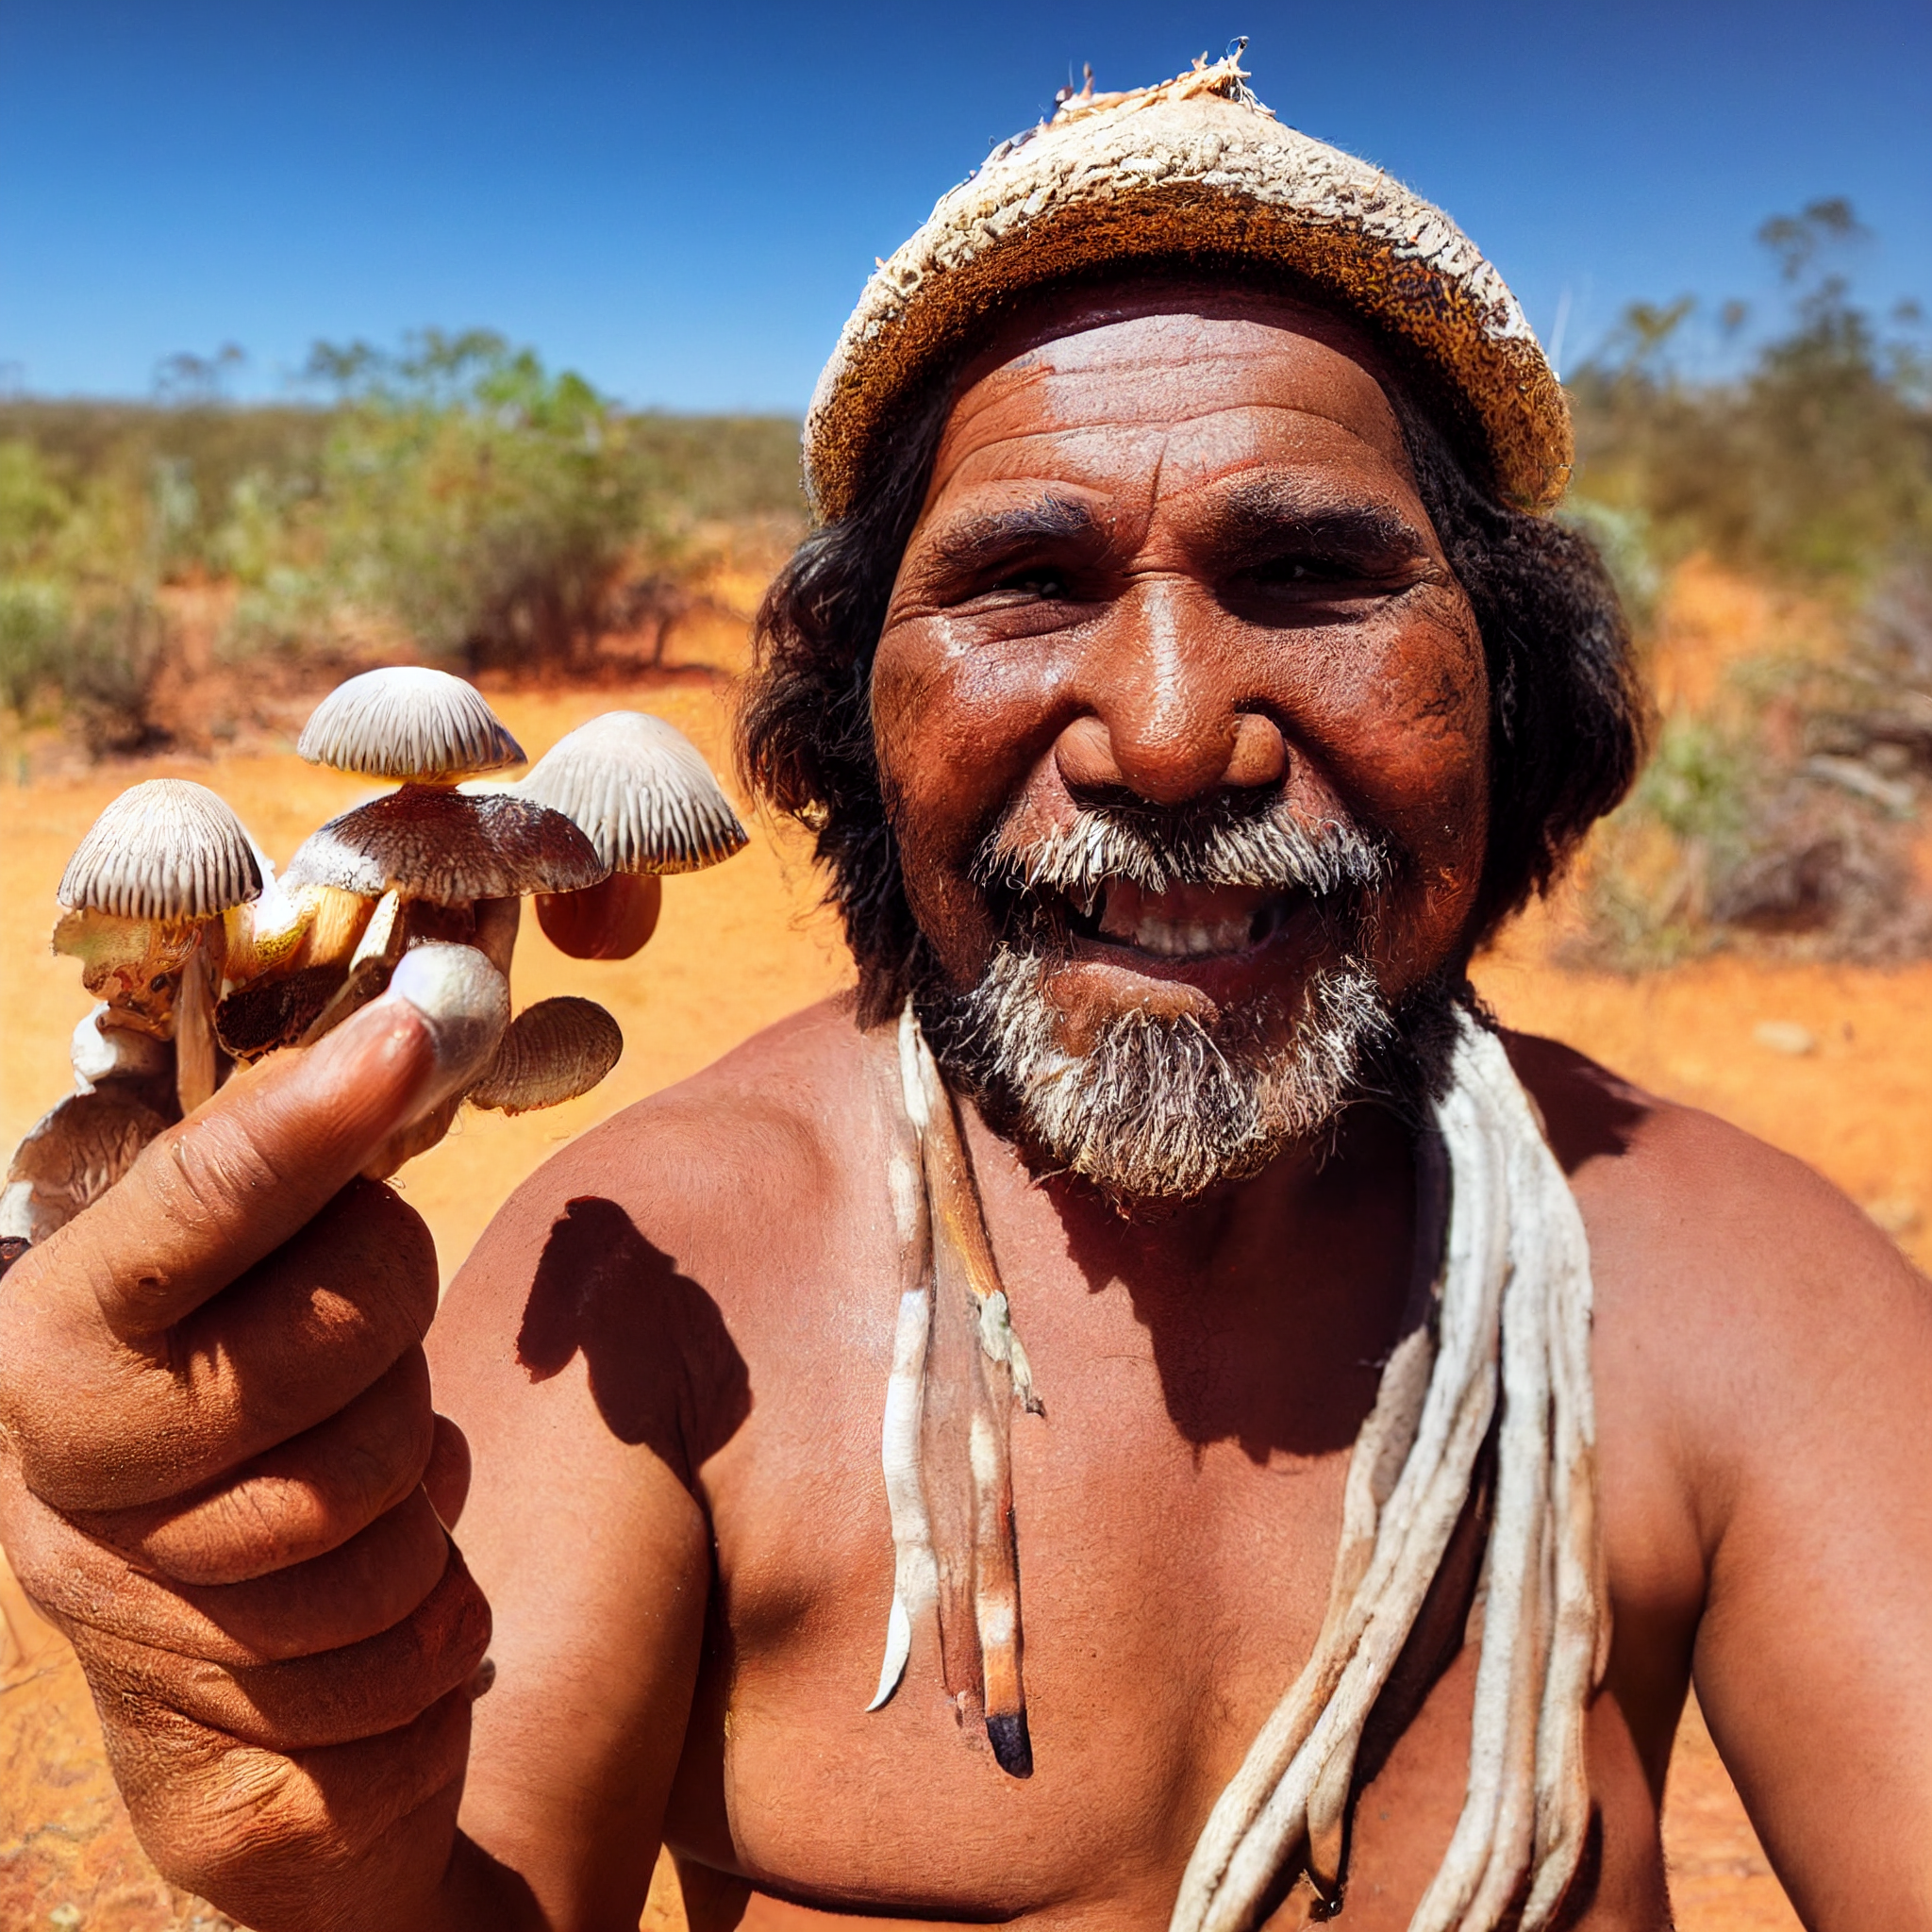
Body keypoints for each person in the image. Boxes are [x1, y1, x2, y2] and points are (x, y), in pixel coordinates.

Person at [3, 53, 1929, 1932]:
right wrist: (326, 1847)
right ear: (862, 715)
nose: (1170, 737)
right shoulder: (666, 1292)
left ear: (1506, 689)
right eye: (1024, 581)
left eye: (1310, 574)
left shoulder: (1725, 1296)